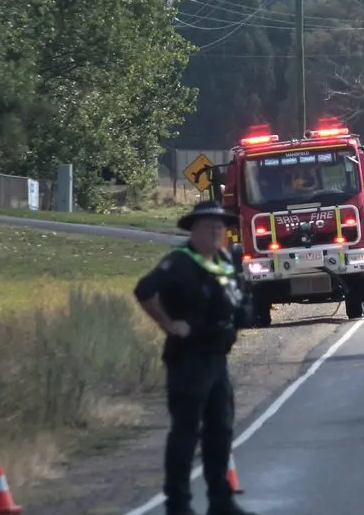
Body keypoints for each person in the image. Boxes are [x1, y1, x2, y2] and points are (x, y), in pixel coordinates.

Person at [133, 201, 258, 515]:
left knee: (221, 430)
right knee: (186, 432)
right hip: (189, 359)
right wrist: (168, 324)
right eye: (209, 226)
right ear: (194, 230)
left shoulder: (224, 261)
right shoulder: (179, 261)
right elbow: (144, 290)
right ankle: (178, 505)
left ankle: (221, 501)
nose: (216, 231)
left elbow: (236, 300)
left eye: (220, 226)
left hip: (218, 358)